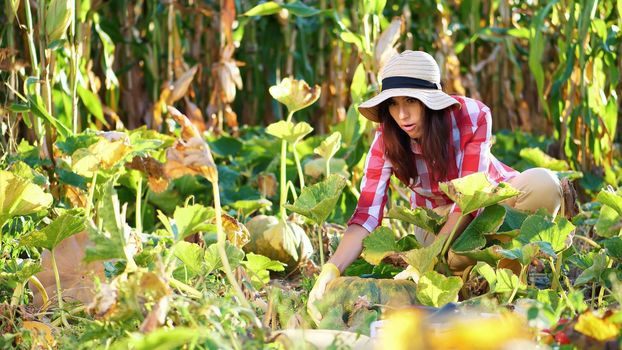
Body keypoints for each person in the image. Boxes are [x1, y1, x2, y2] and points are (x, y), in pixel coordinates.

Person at [306, 50, 567, 323]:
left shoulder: (473, 116)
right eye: (393, 104)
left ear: (430, 101)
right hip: (438, 226)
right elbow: (367, 216)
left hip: (491, 202)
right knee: (451, 259)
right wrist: (331, 270)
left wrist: (428, 261)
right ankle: (471, 280)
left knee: (543, 184)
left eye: (410, 101)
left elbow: (470, 197)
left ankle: (509, 278)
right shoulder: (387, 139)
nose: (402, 114)